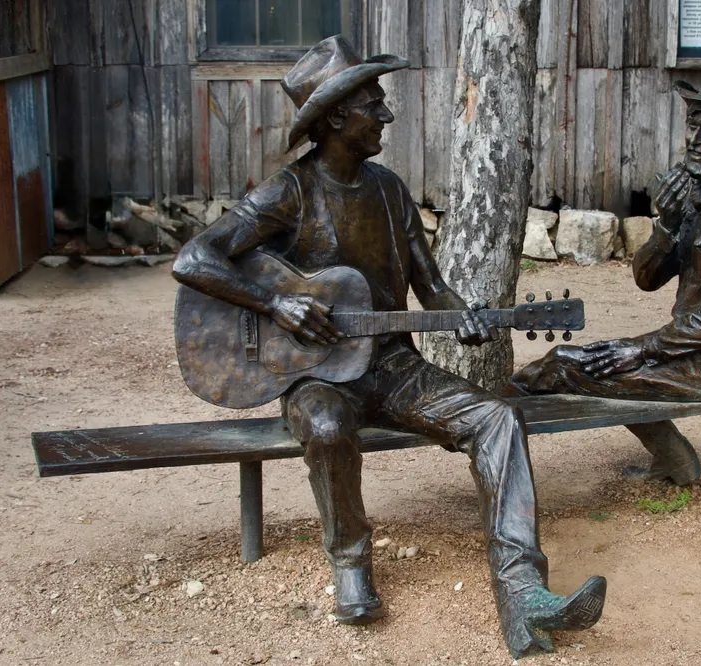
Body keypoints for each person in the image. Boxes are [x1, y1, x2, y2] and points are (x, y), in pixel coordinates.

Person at [172, 35, 605, 658]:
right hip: (313, 376)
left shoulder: (390, 190)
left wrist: (473, 317)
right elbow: (194, 258)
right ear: (336, 117)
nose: (387, 114)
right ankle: (350, 561)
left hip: (396, 367)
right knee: (324, 424)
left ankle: (522, 591)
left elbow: (434, 291)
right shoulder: (288, 192)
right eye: (375, 102)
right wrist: (275, 303)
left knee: (499, 418)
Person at [508, 68, 701, 484]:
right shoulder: (697, 196)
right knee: (598, 360)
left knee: (565, 364)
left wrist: (641, 349)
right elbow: (647, 278)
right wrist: (669, 224)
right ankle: (674, 458)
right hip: (680, 348)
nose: (694, 140)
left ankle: (497, 451)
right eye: (692, 126)